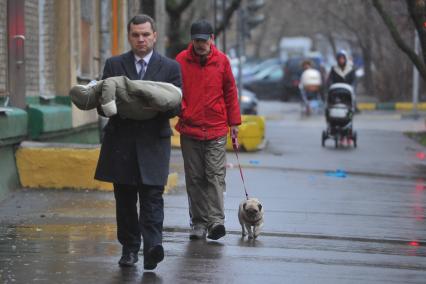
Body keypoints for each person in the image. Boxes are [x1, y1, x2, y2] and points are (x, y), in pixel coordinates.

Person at [94, 14, 182, 270]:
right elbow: (102, 104)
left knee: (153, 197)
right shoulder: (114, 65)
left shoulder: (170, 68)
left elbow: (177, 105)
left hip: (154, 142)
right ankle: (129, 249)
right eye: (136, 35)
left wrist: (153, 107)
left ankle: (153, 247)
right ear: (129, 36)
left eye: (146, 34)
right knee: (125, 199)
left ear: (154, 35)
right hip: (121, 142)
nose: (141, 39)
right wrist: (117, 108)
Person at [175, 19, 241, 241]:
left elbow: (230, 92)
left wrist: (234, 124)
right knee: (194, 177)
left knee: (213, 175)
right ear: (191, 40)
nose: (200, 44)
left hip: (216, 127)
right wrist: (183, 111)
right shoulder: (181, 60)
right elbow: (175, 90)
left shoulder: (222, 61)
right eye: (196, 40)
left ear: (212, 39)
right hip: (190, 129)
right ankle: (198, 223)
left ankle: (216, 221)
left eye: (204, 40)